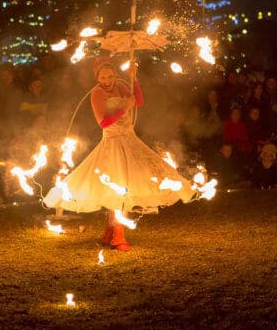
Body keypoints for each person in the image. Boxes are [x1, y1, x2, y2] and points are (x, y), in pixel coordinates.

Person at [43, 57, 194, 251]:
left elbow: (138, 101)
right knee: (118, 187)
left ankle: (110, 233)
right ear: (97, 77)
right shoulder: (97, 93)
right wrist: (124, 107)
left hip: (129, 139)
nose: (108, 80)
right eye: (103, 77)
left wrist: (134, 77)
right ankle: (118, 237)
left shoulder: (121, 86)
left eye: (111, 76)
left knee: (130, 184)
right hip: (113, 143)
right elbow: (104, 122)